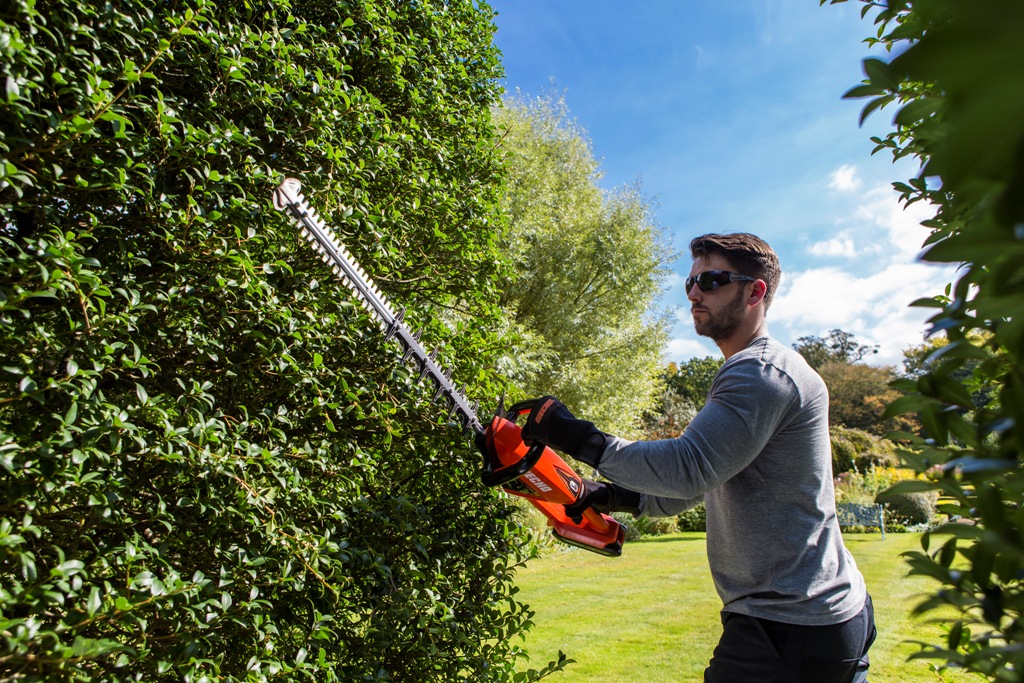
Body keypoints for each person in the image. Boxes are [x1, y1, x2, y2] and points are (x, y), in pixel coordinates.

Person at [521, 233, 876, 682]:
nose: (693, 293)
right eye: (689, 283)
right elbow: (703, 480)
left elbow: (688, 469)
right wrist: (608, 495)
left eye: (710, 280)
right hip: (816, 615)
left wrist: (577, 437)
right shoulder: (757, 370)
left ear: (755, 291)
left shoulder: (760, 373)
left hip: (789, 624)